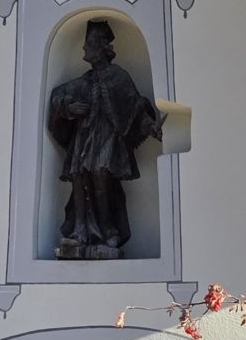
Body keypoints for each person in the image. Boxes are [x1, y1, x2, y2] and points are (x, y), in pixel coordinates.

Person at [46, 20, 162, 260]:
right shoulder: (85, 80)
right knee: (79, 178)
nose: (84, 49)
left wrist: (150, 126)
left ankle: (108, 231)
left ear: (101, 47)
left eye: (88, 44)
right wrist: (69, 107)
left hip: (107, 139)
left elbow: (135, 106)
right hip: (85, 138)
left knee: (100, 176)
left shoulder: (118, 76)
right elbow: (59, 95)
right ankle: (80, 232)